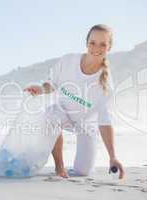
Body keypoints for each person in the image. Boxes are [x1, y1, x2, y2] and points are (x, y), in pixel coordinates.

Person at [23, 24, 125, 179]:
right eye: (93, 43)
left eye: (103, 44)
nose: (96, 48)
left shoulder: (106, 85)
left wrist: (113, 156)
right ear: (86, 43)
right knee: (50, 115)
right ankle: (59, 167)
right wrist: (40, 89)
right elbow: (51, 84)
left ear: (109, 47)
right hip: (63, 113)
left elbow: (105, 122)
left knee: (83, 172)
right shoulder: (68, 61)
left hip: (86, 124)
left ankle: (81, 165)